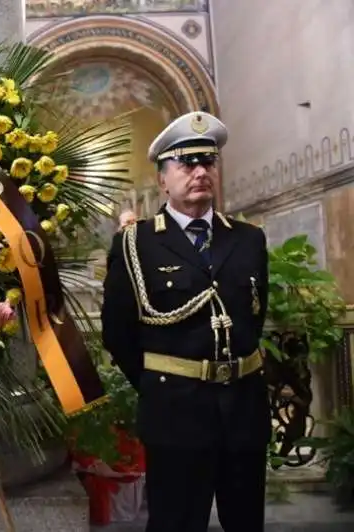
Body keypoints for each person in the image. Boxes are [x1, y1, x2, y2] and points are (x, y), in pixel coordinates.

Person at [101, 111, 270, 532]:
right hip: (176, 412)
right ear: (162, 179)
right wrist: (167, 384)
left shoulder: (248, 239)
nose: (200, 172)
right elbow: (118, 333)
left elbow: (253, 317)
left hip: (243, 411)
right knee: (176, 523)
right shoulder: (136, 244)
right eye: (186, 163)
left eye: (207, 162)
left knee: (246, 521)